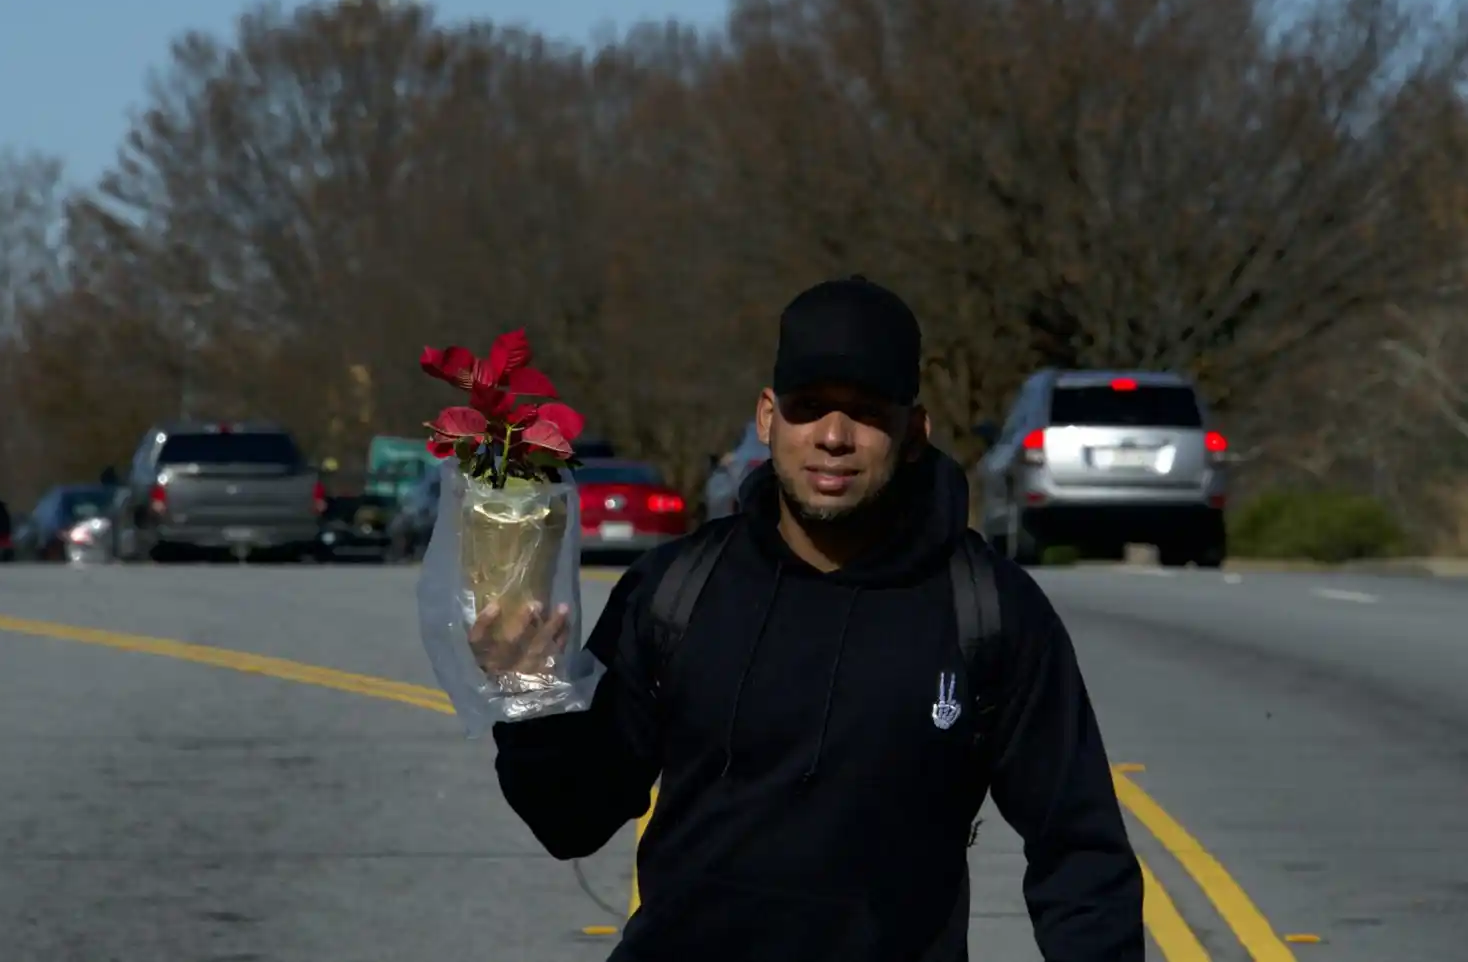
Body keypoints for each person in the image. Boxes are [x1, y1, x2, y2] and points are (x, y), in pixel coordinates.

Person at [478, 276, 1145, 961]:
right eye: (810, 407)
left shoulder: (989, 611)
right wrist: (530, 703)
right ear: (768, 417)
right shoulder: (675, 591)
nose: (833, 436)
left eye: (865, 412)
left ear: (913, 432)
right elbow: (573, 820)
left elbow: (1079, 854)